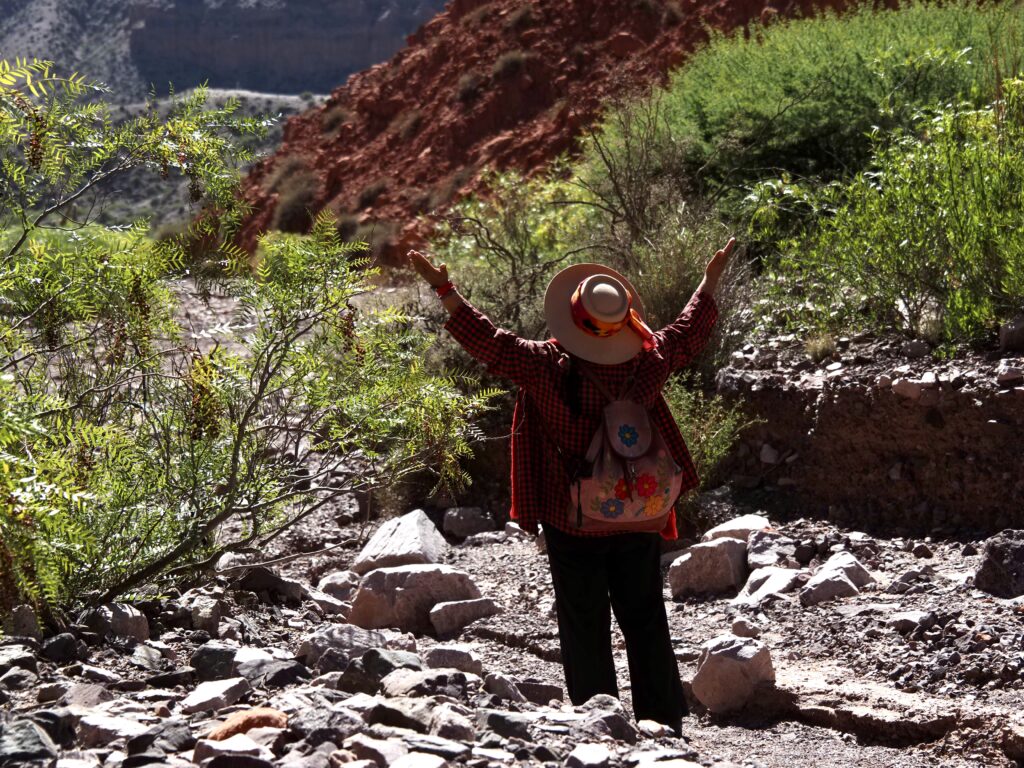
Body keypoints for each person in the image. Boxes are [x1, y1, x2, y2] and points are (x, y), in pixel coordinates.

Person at [407, 238, 734, 735]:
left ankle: (598, 722)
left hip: (574, 520)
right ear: (623, 321)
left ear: (573, 317)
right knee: (645, 615)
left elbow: (490, 342)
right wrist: (709, 284)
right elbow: (686, 335)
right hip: (637, 512)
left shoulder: (544, 367)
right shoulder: (647, 362)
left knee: (584, 623)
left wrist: (445, 289)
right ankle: (664, 719)